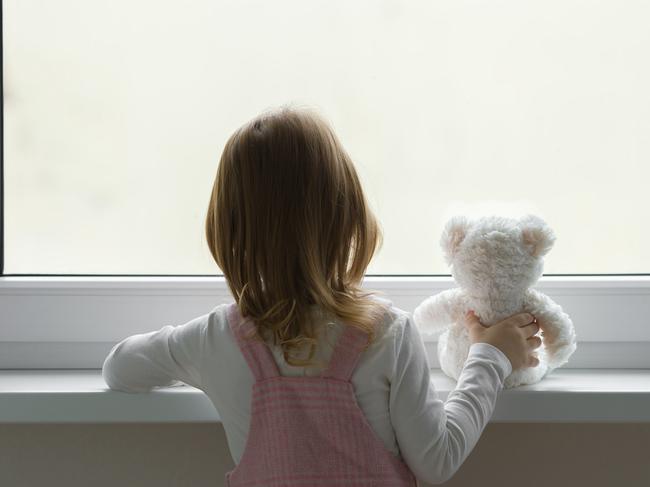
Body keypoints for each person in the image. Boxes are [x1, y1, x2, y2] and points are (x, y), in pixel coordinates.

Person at [102, 106, 541, 486]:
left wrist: (194, 357)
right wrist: (489, 356)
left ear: (228, 230)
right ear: (347, 214)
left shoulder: (215, 339)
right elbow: (437, 460)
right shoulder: (385, 333)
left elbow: (120, 368)